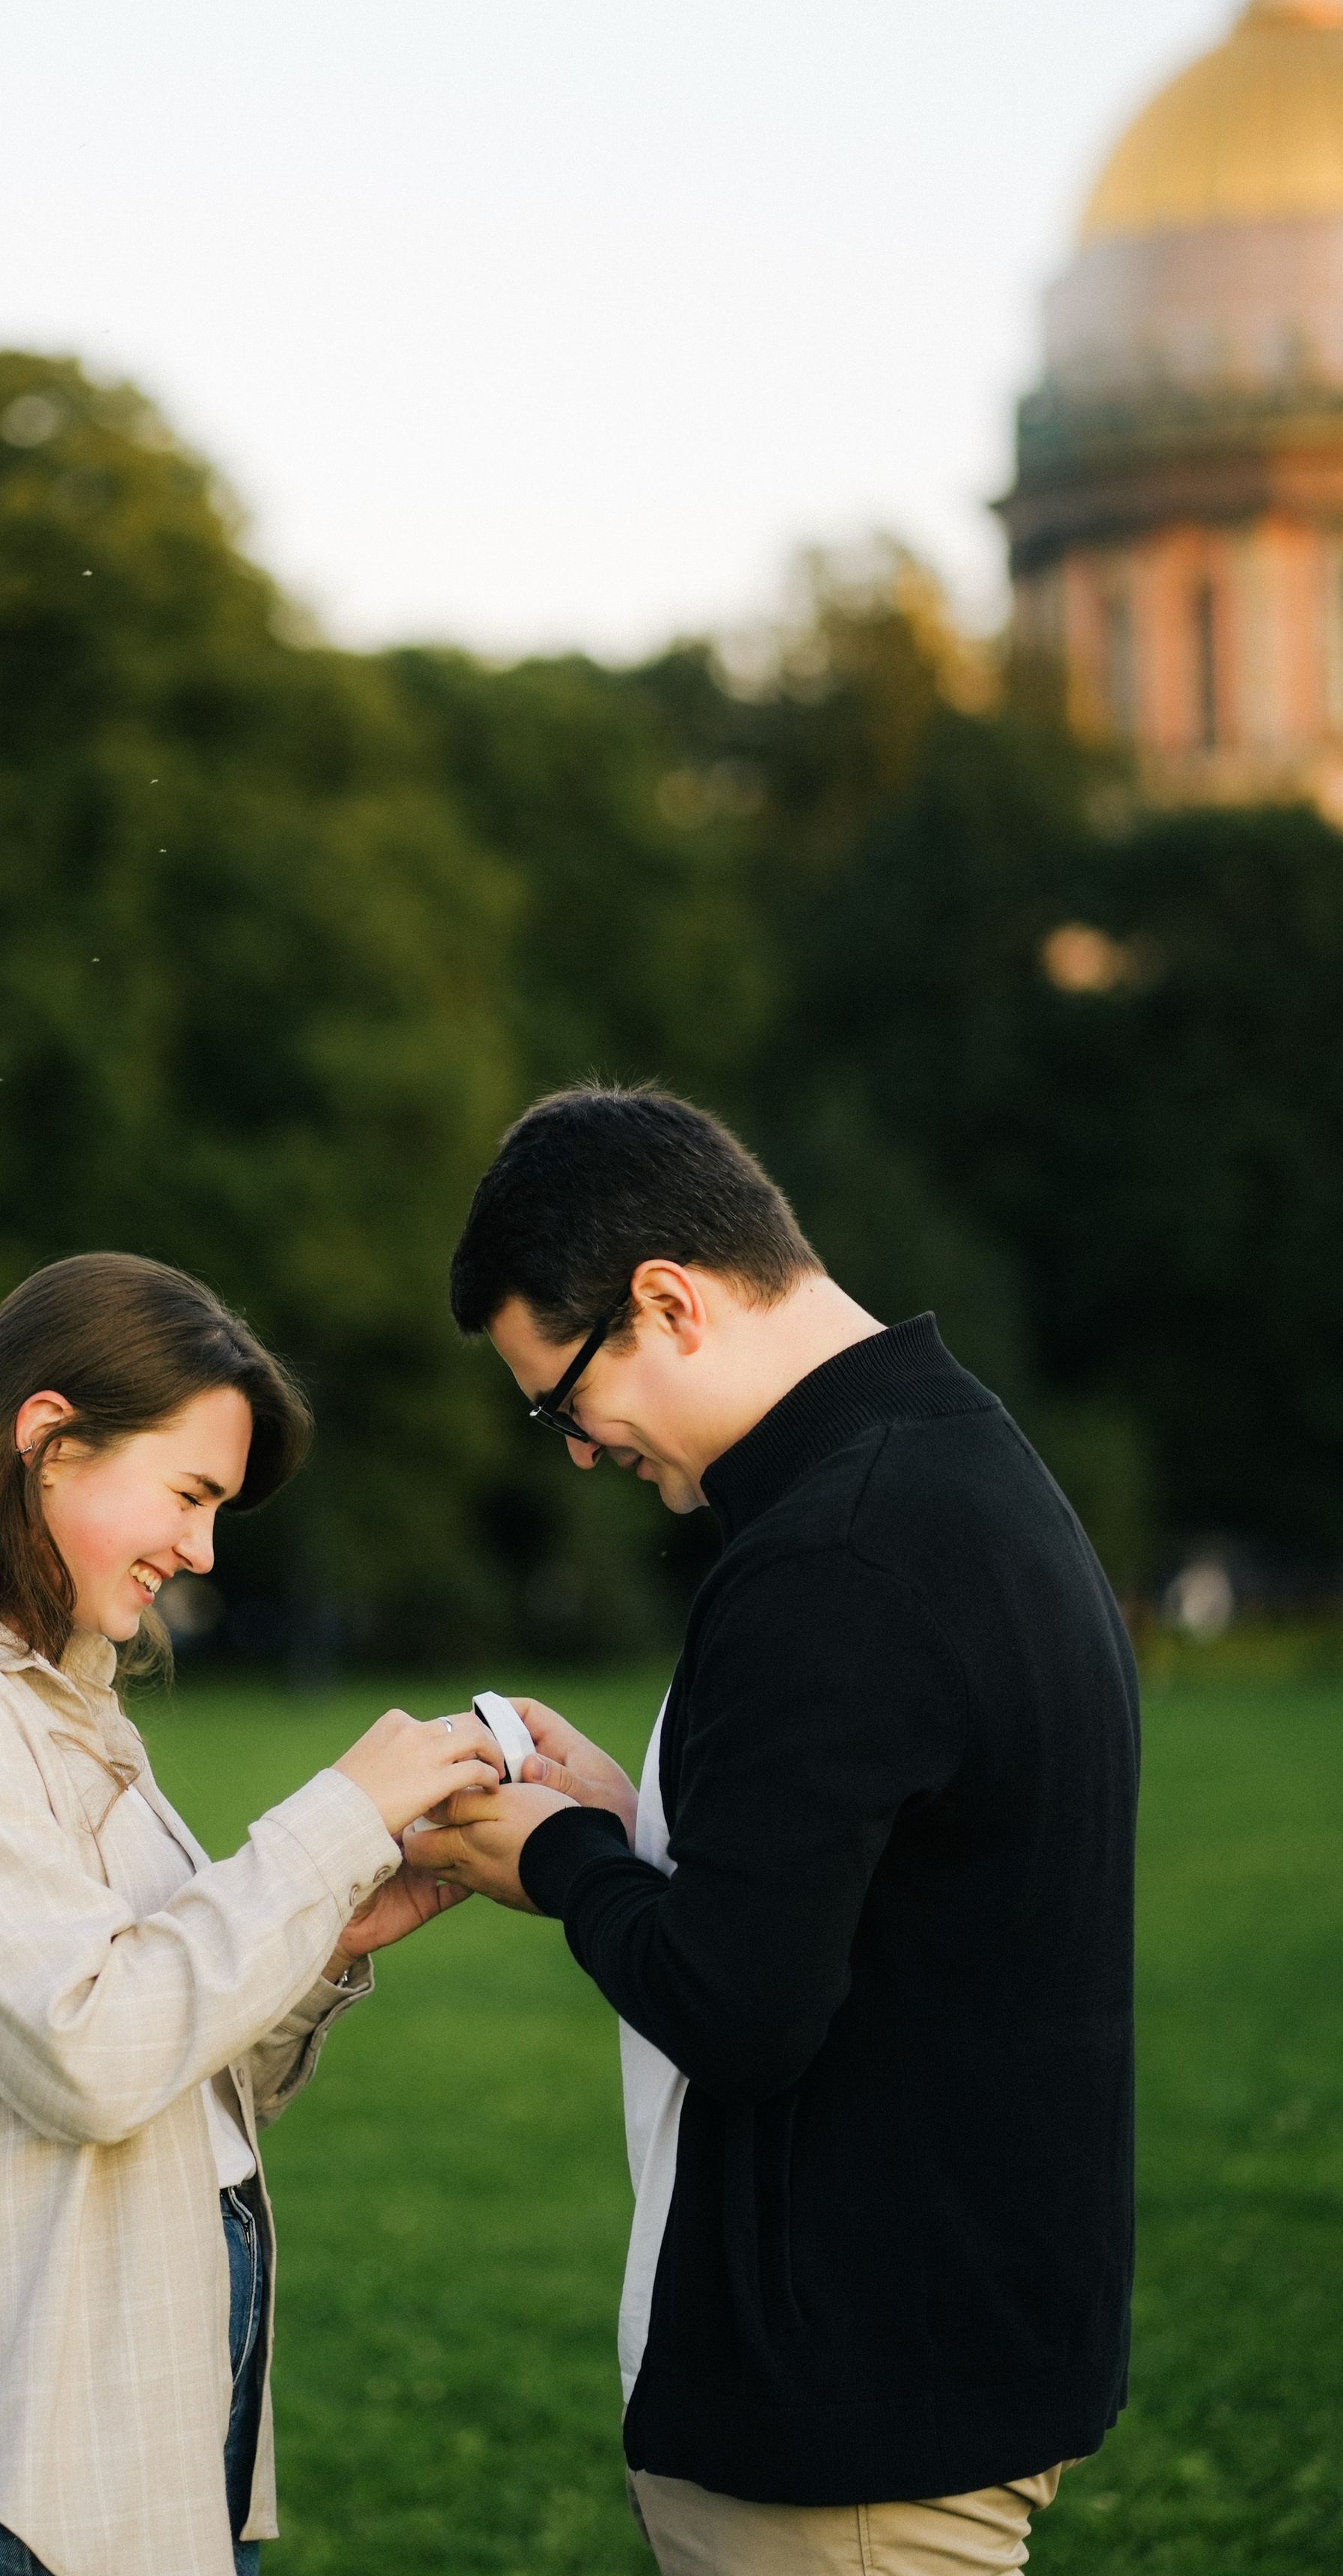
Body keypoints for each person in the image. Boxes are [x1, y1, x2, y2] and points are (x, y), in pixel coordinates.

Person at [422, 1086, 1140, 2576]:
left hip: (857, 2418)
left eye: (561, 1401)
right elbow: (883, 1893)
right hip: (951, 2352)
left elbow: (739, 2008)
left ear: (666, 1303)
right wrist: (637, 1827)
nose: (576, 1452)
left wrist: (556, 1859)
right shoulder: (950, 1461)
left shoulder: (832, 1551)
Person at [0, 1250, 503, 2576]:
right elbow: (92, 2057)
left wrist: (322, 1939)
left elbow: (183, 2074)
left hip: (152, 2444)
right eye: (190, 1495)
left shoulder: (65, 1704)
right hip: (22, 2484)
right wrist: (332, 1821)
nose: (201, 1551)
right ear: (50, 1441)